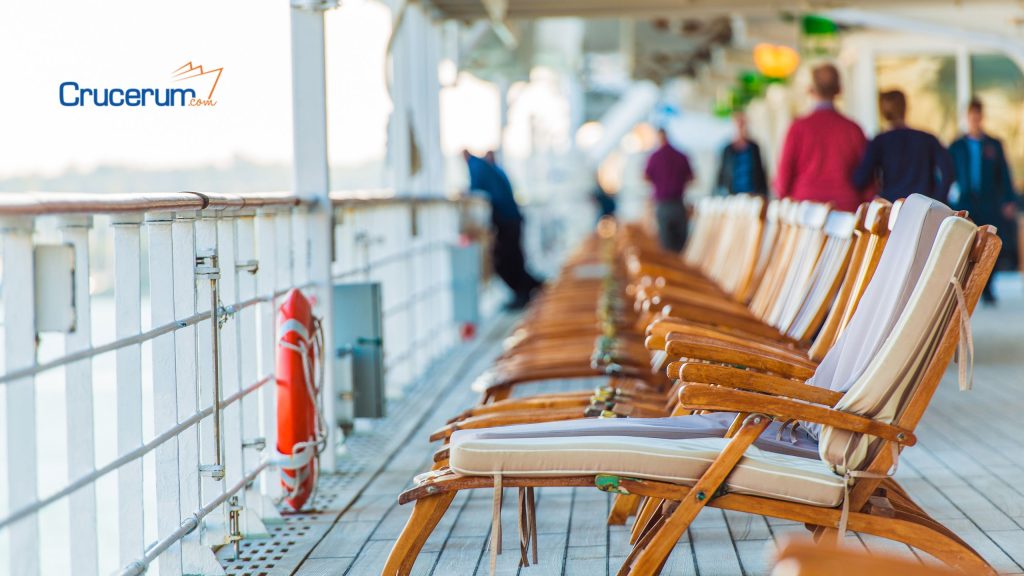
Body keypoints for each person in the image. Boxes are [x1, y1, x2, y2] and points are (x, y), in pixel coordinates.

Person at [949, 98, 1019, 304]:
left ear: (982, 117)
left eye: (978, 116)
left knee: (989, 245)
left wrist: (1008, 199)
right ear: (967, 117)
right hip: (966, 201)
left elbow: (1004, 174)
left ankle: (988, 288)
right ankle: (966, 287)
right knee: (965, 245)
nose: (975, 120)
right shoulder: (957, 146)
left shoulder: (994, 145)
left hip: (989, 201)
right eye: (972, 116)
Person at [775, 63, 871, 212]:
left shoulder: (798, 128)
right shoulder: (853, 129)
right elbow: (867, 177)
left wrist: (784, 198)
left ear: (810, 90)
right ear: (839, 90)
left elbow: (783, 176)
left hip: (805, 209)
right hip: (846, 208)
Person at [463, 149, 542, 309]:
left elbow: (475, 188)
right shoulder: (494, 169)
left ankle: (527, 290)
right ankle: (532, 287)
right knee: (513, 258)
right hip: (511, 219)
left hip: (507, 221)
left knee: (505, 259)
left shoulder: (476, 166)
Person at [852, 90, 954, 203]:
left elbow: (860, 179)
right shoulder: (926, 139)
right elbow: (948, 171)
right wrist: (937, 201)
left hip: (894, 207)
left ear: (883, 113)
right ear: (905, 108)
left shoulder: (880, 142)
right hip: (924, 207)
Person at [644, 128, 694, 252]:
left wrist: (658, 183)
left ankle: (669, 270)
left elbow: (645, 177)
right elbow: (692, 177)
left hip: (663, 204)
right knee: (681, 246)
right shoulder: (680, 155)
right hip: (678, 204)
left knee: (666, 246)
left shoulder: (654, 157)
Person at [715, 111, 768, 196]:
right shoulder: (727, 150)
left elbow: (761, 172)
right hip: (732, 195)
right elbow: (721, 174)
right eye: (738, 124)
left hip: (752, 194)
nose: (740, 127)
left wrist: (763, 192)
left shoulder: (754, 147)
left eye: (742, 123)